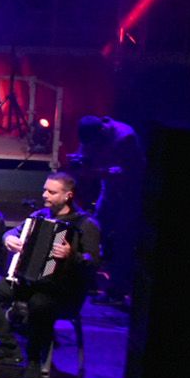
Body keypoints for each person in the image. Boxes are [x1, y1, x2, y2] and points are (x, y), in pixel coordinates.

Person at [0, 172, 101, 378]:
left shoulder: (85, 224)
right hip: (28, 282)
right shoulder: (39, 216)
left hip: (63, 291)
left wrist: (72, 255)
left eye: (52, 192)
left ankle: (34, 360)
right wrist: (8, 239)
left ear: (68, 195)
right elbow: (12, 233)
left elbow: (93, 261)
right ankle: (9, 348)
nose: (45, 195)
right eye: (45, 190)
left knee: (39, 304)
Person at [72, 115, 145, 303]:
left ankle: (116, 290)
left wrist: (100, 172)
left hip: (129, 193)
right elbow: (85, 157)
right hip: (110, 189)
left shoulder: (125, 137)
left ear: (102, 133)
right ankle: (87, 281)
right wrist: (80, 163)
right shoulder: (91, 135)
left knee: (123, 240)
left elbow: (132, 171)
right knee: (94, 230)